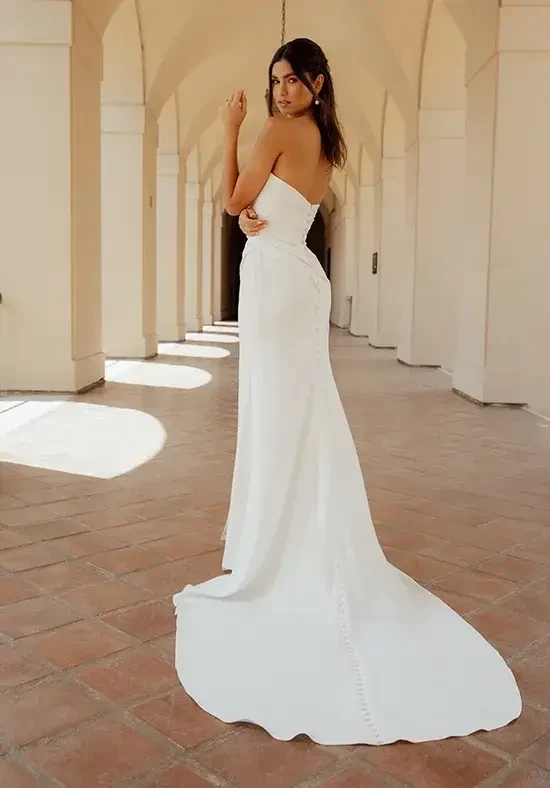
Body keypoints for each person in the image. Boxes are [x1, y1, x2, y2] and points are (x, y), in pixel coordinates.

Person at [173, 37, 521, 746]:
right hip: (296, 275)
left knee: (274, 415)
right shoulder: (327, 141)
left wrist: (229, 129)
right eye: (273, 81)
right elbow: (269, 208)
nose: (279, 89)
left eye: (291, 79)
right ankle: (288, 531)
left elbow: (236, 198)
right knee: (296, 412)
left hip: (273, 281)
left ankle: (274, 547)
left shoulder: (274, 129)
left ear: (317, 81)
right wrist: (249, 215)